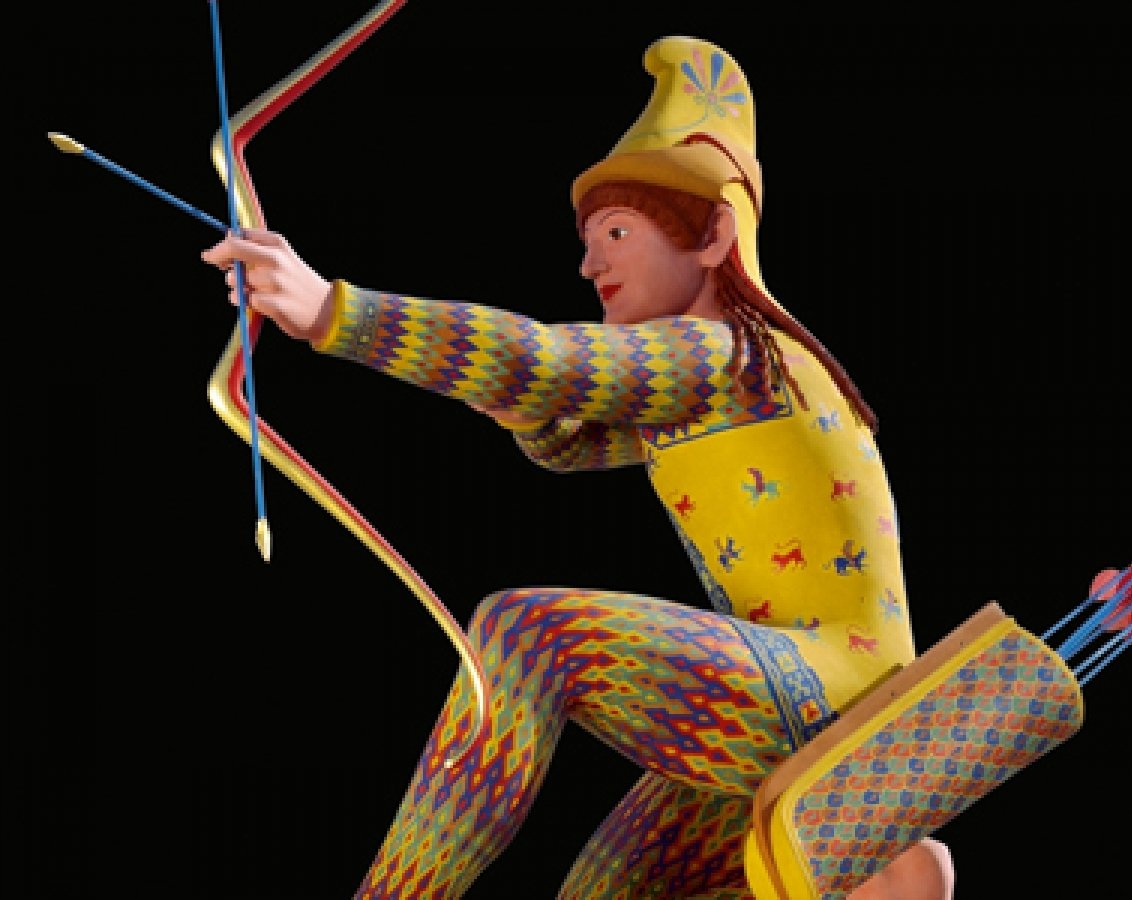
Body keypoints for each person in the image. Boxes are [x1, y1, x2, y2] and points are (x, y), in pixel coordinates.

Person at [202, 36, 955, 900]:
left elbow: (545, 362)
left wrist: (331, 310)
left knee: (529, 637)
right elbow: (563, 438)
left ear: (714, 235)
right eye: (591, 239)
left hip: (833, 700)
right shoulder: (728, 379)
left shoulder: (724, 354)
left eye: (619, 232)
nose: (591, 264)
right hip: (802, 704)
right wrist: (506, 387)